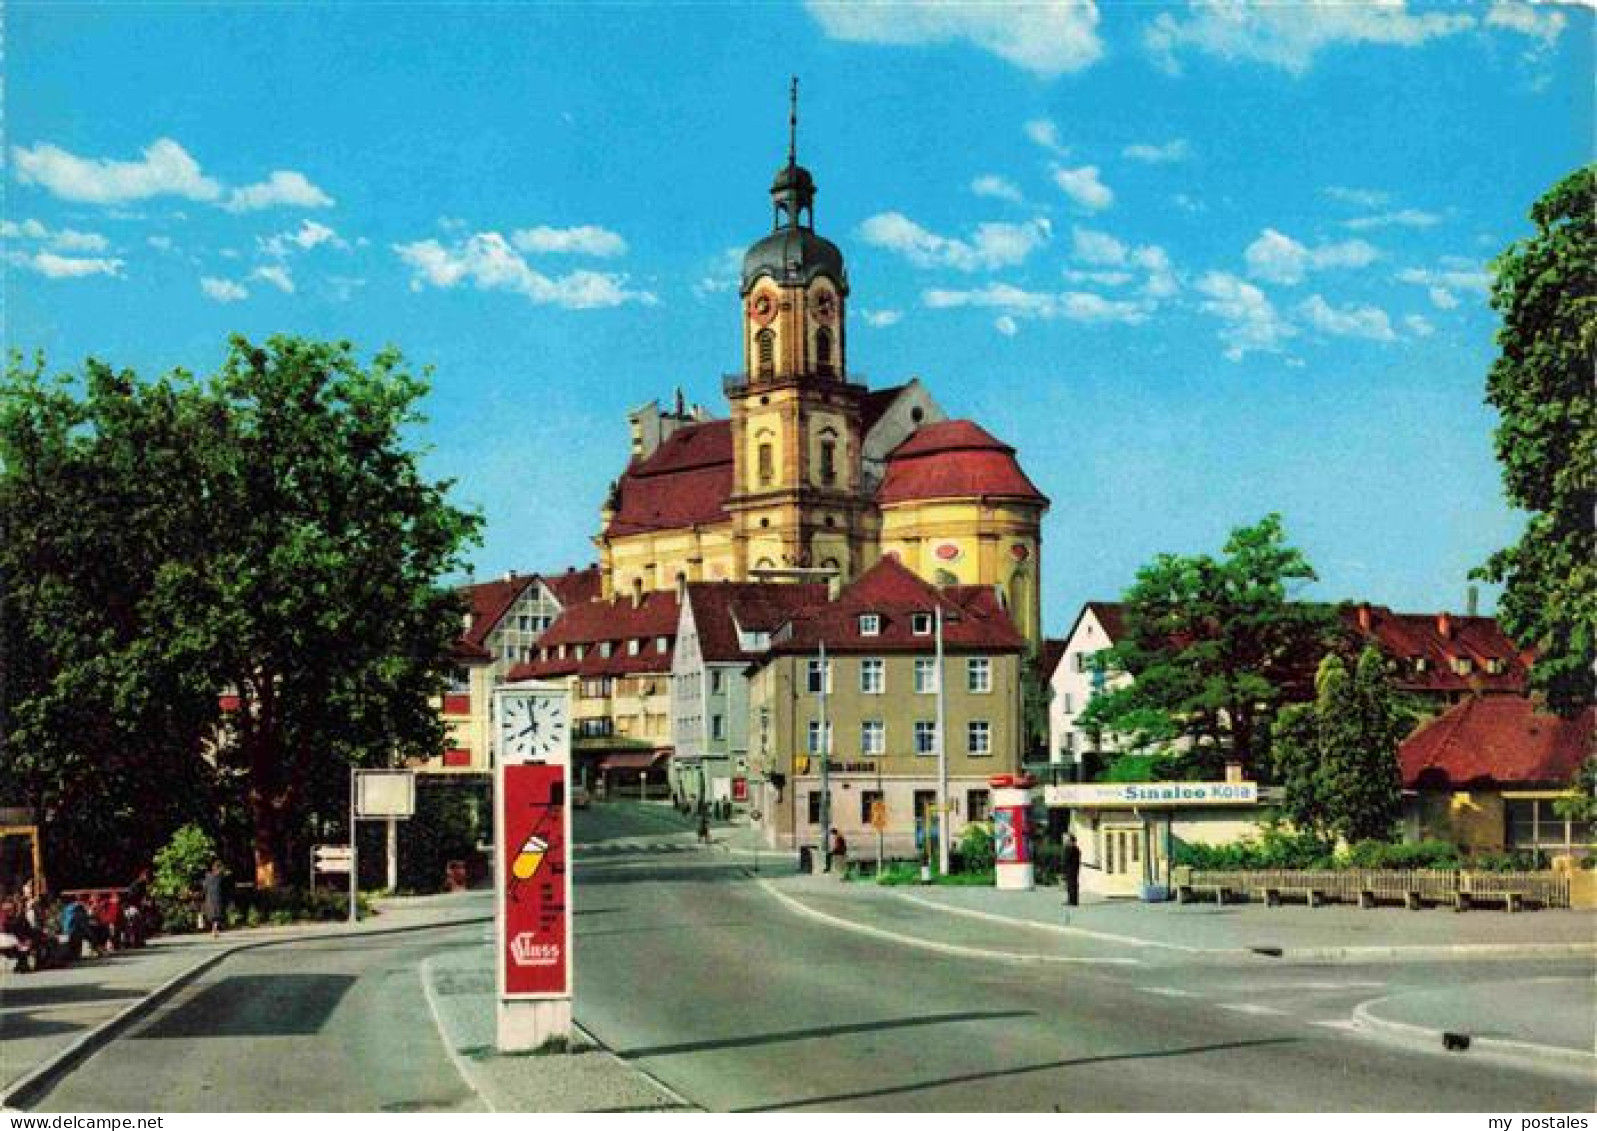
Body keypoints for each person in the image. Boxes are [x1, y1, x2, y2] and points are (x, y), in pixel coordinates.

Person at [201, 860, 228, 939]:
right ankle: (214, 930)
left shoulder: (208, 877)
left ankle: (214, 930)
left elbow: (204, 887)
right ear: (218, 868)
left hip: (210, 899)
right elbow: (224, 888)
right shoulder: (220, 877)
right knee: (216, 916)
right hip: (217, 899)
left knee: (214, 916)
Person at [1063, 834, 1083, 907]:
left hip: (1071, 869)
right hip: (1074, 869)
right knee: (1072, 885)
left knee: (1071, 885)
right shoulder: (1077, 849)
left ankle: (1072, 901)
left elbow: (1067, 859)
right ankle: (1072, 900)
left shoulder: (1070, 849)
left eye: (1068, 840)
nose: (1066, 841)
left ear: (1071, 841)